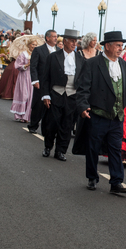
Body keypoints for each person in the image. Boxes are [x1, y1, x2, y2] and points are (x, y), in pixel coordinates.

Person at [75, 31, 126, 193]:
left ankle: (116, 182)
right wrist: (82, 106)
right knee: (93, 148)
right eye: (118, 45)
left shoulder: (121, 64)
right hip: (98, 114)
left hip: (117, 115)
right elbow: (83, 88)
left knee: (115, 149)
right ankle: (92, 177)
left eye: (122, 46)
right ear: (107, 46)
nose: (121, 49)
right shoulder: (93, 63)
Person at [41, 29, 84, 162]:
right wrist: (46, 95)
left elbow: (83, 80)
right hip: (56, 93)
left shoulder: (80, 59)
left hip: (72, 95)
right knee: (52, 123)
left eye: (75, 41)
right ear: (64, 41)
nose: (74, 43)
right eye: (71, 41)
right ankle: (48, 146)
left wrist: (81, 99)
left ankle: (61, 151)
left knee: (67, 124)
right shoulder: (53, 56)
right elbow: (45, 78)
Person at [28, 29, 57, 134]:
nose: (56, 38)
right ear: (47, 38)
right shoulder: (39, 50)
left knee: (50, 106)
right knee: (38, 105)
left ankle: (47, 129)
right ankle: (33, 125)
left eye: (56, 36)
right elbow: (33, 66)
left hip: (54, 83)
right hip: (41, 81)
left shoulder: (58, 50)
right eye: (54, 36)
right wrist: (35, 80)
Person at [10, 38, 37, 122]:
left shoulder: (36, 54)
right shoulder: (23, 54)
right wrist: (27, 64)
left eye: (35, 45)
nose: (34, 46)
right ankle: (21, 115)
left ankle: (28, 116)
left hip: (33, 76)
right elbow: (17, 66)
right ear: (28, 45)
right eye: (33, 44)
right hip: (24, 75)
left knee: (31, 96)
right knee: (24, 95)